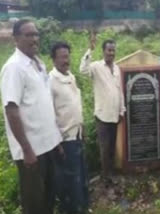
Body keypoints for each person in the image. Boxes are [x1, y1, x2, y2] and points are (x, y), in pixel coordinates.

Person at [0, 19, 62, 214]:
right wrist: (26, 149)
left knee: (49, 198)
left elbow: (43, 106)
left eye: (36, 34)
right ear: (16, 38)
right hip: (32, 151)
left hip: (48, 146)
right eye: (29, 35)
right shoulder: (14, 68)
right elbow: (11, 110)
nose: (34, 38)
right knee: (34, 204)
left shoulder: (38, 64)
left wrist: (56, 140)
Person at [80, 33, 125, 186]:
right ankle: (106, 178)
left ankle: (109, 173)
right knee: (104, 150)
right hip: (103, 116)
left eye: (113, 50)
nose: (111, 53)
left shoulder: (117, 68)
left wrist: (122, 110)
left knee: (112, 148)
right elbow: (83, 70)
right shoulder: (96, 67)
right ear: (103, 51)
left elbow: (119, 91)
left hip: (115, 115)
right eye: (109, 50)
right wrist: (89, 50)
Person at [49, 42, 89, 213]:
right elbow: (49, 115)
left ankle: (83, 207)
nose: (67, 60)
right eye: (63, 57)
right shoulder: (51, 81)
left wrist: (82, 127)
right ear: (54, 59)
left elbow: (74, 106)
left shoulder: (70, 76)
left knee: (81, 176)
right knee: (70, 180)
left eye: (68, 56)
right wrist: (56, 142)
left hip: (77, 134)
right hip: (64, 140)